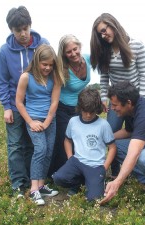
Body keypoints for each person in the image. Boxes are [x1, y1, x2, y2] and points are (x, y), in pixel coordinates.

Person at [0, 6, 49, 198]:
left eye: (25, 28)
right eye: (18, 30)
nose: (23, 34)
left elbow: (51, 72)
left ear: (30, 25)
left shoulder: (43, 44)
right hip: (14, 104)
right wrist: (6, 107)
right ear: (11, 30)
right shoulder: (4, 51)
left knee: (33, 144)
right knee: (15, 144)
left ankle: (32, 180)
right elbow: (2, 81)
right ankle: (18, 183)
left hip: (37, 105)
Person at [90, 13, 145, 178]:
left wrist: (142, 100)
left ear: (113, 24)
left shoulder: (136, 45)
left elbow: (144, 75)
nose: (103, 35)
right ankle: (115, 172)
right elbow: (104, 78)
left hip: (134, 101)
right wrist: (104, 97)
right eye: (100, 34)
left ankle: (141, 173)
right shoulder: (104, 51)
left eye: (104, 30)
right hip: (115, 102)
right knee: (111, 136)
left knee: (137, 136)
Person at [16, 44, 65, 205]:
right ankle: (34, 189)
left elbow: (54, 102)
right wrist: (31, 122)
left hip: (49, 120)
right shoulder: (26, 77)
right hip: (33, 119)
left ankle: (42, 184)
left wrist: (47, 122)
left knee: (49, 151)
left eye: (51, 65)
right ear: (37, 62)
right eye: (45, 64)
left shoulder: (55, 77)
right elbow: (19, 102)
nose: (48, 68)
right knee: (40, 149)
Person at [52, 88, 116, 201]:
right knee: (58, 178)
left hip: (96, 166)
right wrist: (70, 158)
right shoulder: (73, 121)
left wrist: (104, 167)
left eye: (91, 111)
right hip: (77, 161)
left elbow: (112, 148)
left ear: (97, 109)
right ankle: (79, 183)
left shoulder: (103, 125)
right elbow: (67, 140)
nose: (87, 115)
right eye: (85, 111)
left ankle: (94, 182)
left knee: (94, 198)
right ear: (80, 108)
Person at [48, 34, 91, 179]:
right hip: (63, 108)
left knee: (79, 140)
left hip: (79, 108)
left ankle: (78, 171)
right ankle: (57, 174)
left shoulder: (88, 59)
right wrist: (51, 114)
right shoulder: (62, 68)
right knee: (63, 141)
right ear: (64, 54)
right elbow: (55, 91)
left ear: (79, 46)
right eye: (68, 52)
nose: (73, 53)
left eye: (75, 49)